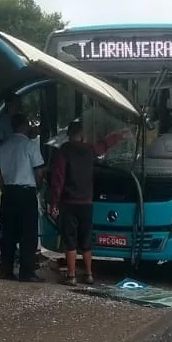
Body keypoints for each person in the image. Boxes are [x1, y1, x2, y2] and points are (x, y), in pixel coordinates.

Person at [50, 120, 132, 286]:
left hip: (69, 202)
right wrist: (119, 136)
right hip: (87, 202)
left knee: (70, 239)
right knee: (86, 239)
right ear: (82, 134)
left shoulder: (64, 151)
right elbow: (103, 146)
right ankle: (88, 274)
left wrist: (54, 204)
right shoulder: (89, 149)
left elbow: (58, 179)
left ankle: (71, 276)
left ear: (69, 134)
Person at [0, 113, 45, 282]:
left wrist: (4, 189)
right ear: (24, 126)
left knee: (8, 232)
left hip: (8, 193)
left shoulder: (4, 146)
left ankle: (6, 270)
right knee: (28, 234)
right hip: (26, 192)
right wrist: (38, 187)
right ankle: (26, 271)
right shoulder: (30, 146)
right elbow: (39, 171)